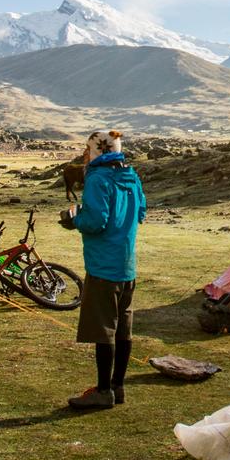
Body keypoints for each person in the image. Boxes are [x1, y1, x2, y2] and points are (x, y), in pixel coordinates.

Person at [64, 128, 146, 409]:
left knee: (104, 330)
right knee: (123, 328)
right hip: (127, 266)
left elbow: (96, 221)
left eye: (87, 151)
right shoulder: (131, 177)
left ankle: (102, 391)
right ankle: (117, 386)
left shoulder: (98, 178)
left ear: (97, 150)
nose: (85, 156)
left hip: (103, 266)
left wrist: (74, 220)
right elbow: (141, 213)